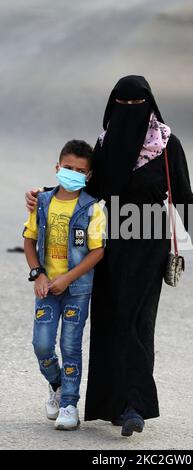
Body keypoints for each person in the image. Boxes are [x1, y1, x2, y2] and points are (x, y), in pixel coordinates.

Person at [26, 75, 193, 437]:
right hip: (107, 248)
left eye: (137, 105)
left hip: (148, 246)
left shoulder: (166, 145)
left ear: (150, 105)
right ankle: (113, 405)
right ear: (112, 106)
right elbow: (90, 188)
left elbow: (182, 196)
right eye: (124, 105)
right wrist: (48, 195)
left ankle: (136, 406)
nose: (131, 112)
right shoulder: (107, 143)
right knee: (110, 323)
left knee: (137, 323)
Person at [23, 140, 106, 431]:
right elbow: (29, 240)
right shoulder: (42, 202)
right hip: (46, 289)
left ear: (89, 175)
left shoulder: (93, 209)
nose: (72, 173)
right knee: (42, 344)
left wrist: (67, 279)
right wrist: (39, 275)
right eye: (68, 168)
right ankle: (56, 384)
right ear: (57, 168)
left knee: (70, 347)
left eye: (79, 170)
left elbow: (97, 251)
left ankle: (69, 404)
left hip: (76, 292)